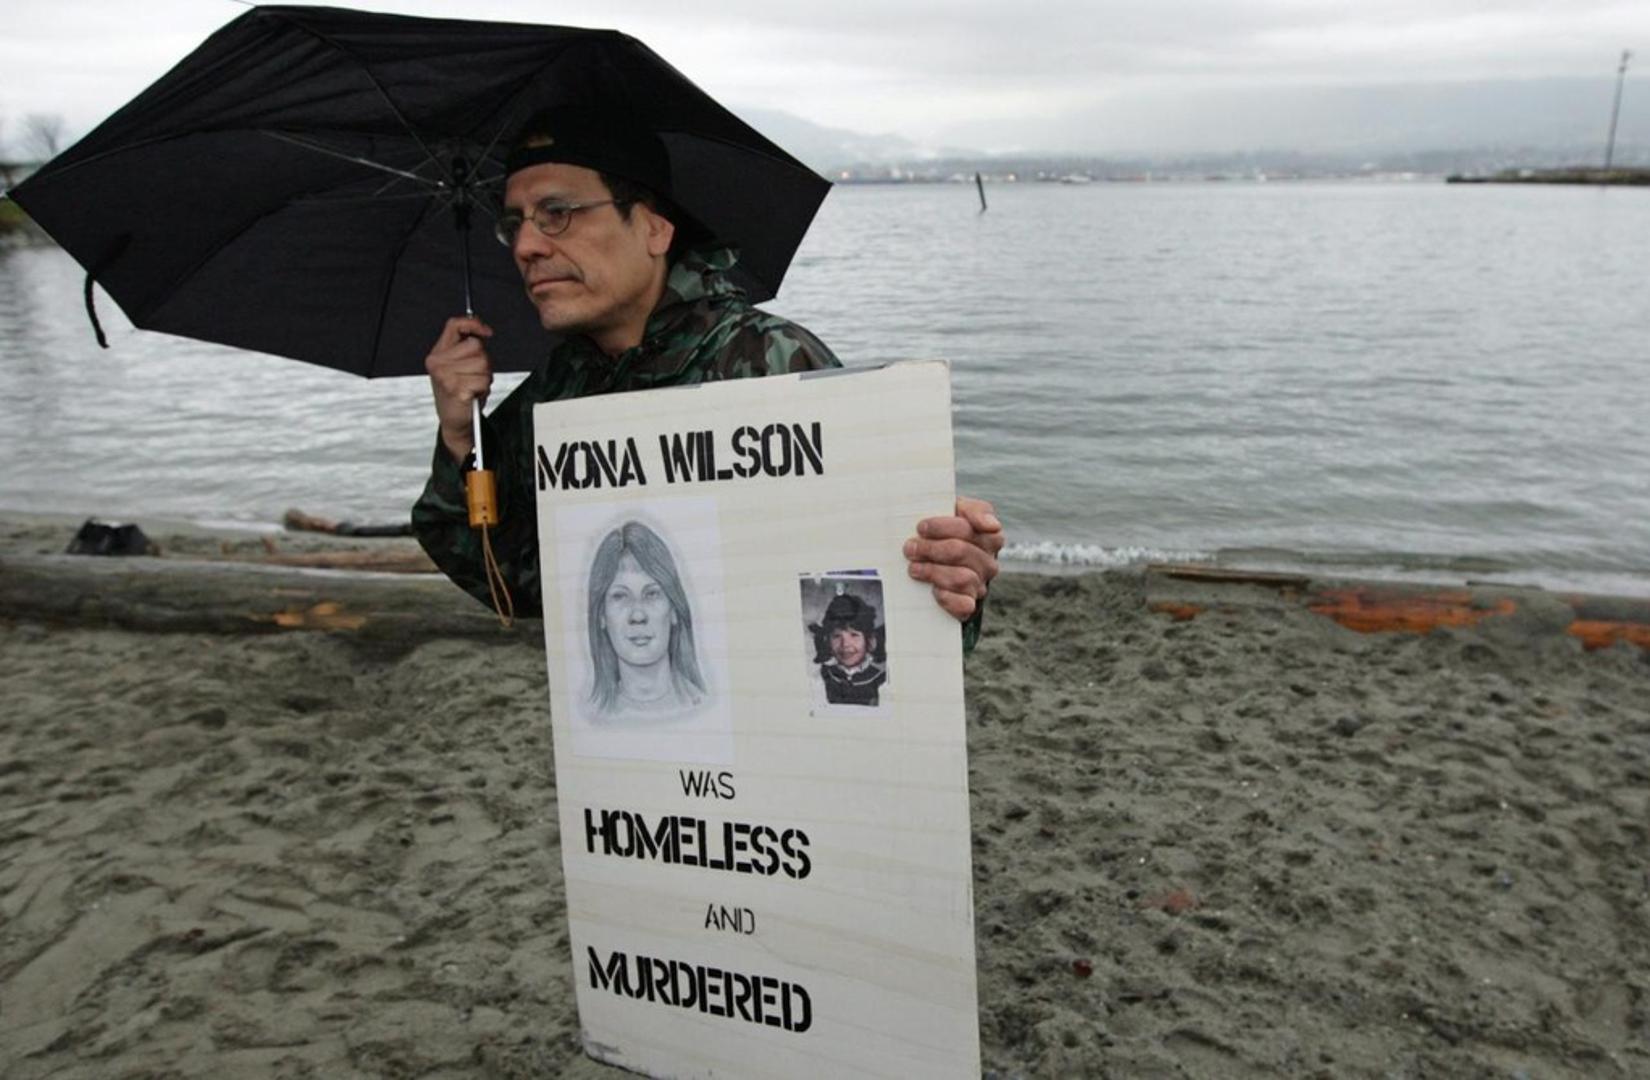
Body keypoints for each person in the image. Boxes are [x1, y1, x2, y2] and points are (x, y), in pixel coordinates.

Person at [412, 105, 1003, 644]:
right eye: (514, 223)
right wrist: (461, 435)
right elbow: (515, 585)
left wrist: (951, 575)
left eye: (557, 214)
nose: (525, 246)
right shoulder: (557, 390)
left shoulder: (772, 363)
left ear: (654, 229)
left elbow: (889, 599)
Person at [586, 521, 706, 717]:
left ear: (674, 609)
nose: (638, 615)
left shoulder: (703, 706)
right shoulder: (592, 716)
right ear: (601, 616)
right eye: (620, 596)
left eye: (652, 594)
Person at [813, 593, 888, 707]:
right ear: (827, 641)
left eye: (854, 635)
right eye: (837, 636)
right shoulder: (824, 675)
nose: (845, 644)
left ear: (869, 640)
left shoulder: (880, 679)